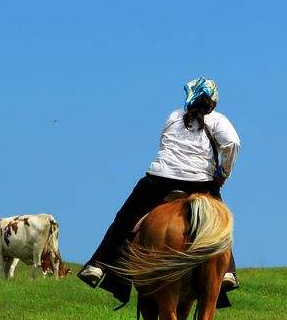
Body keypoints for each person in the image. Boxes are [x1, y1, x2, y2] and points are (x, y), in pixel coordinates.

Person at [80, 77, 241, 307]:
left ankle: (98, 265)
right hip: (200, 183)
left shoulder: (173, 116)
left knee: (125, 218)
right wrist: (223, 173)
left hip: (159, 180)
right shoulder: (218, 120)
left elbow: (164, 146)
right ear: (212, 102)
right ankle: (227, 271)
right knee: (220, 227)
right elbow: (233, 143)